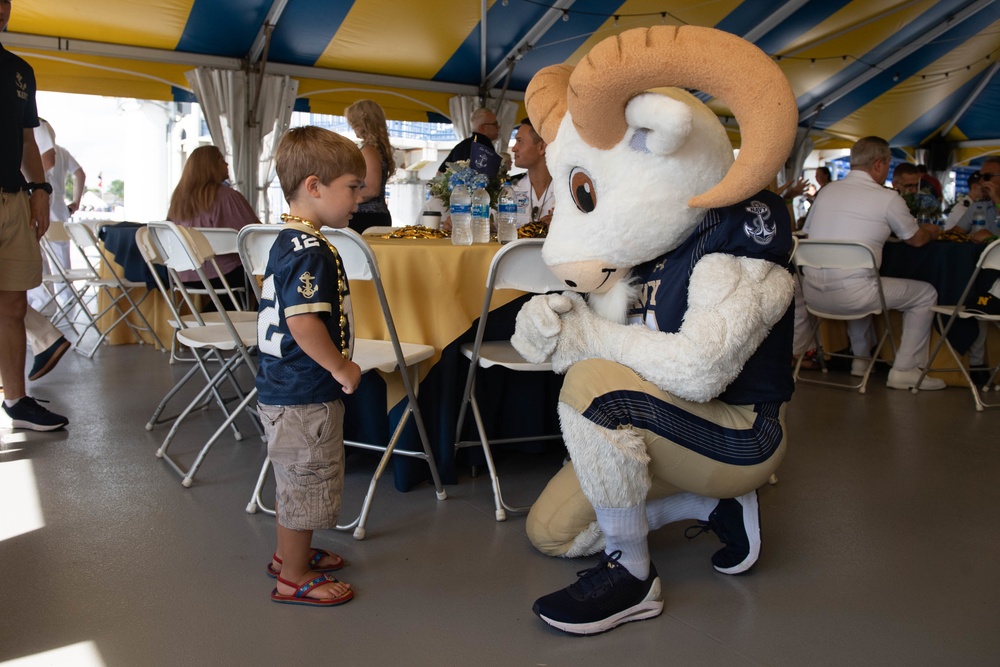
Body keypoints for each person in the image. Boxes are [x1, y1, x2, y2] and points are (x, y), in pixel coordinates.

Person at [256, 125, 364, 606]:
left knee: (294, 478)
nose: (360, 197)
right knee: (307, 478)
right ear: (314, 186)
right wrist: (340, 367)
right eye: (352, 187)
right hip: (305, 394)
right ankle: (294, 576)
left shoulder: (287, 241)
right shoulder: (312, 252)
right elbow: (303, 324)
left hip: (283, 389)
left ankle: (288, 554)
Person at [801, 136, 946, 391]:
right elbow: (915, 240)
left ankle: (861, 361)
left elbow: (809, 233)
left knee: (858, 278)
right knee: (925, 294)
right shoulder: (887, 198)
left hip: (812, 294)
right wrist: (932, 231)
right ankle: (904, 370)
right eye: (889, 163)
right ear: (879, 164)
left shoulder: (826, 192)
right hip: (854, 296)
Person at [0, 0, 69, 431]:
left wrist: (41, 190)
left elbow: (28, 139)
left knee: (12, 304)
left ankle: (17, 400)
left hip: (14, 198)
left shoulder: (20, 70)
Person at [167, 145, 258, 302]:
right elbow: (255, 235)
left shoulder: (178, 199)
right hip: (225, 275)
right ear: (211, 166)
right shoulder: (227, 197)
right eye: (222, 160)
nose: (227, 164)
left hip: (184, 274)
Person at [28, 119, 85, 311]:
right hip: (55, 201)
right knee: (58, 256)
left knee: (37, 251)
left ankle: (45, 304)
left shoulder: (38, 126)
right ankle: (60, 301)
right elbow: (80, 174)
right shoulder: (63, 151)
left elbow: (49, 160)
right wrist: (76, 201)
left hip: (42, 194)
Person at [344, 99, 395, 234]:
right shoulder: (379, 149)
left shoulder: (369, 150)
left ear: (362, 123)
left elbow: (372, 190)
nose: (351, 126)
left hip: (366, 218)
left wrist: (344, 197)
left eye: (353, 122)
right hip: (375, 216)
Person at [509, 118, 554, 227]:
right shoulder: (510, 189)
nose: (514, 148)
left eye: (520, 141)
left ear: (542, 147)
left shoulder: (568, 190)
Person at [945, 159, 1000, 241]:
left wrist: (997, 200)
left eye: (987, 177)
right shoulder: (978, 206)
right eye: (980, 177)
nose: (981, 181)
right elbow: (956, 233)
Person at [437, 107, 500, 172]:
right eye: (495, 124)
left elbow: (439, 173)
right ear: (482, 128)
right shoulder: (484, 147)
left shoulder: (462, 145)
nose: (499, 127)